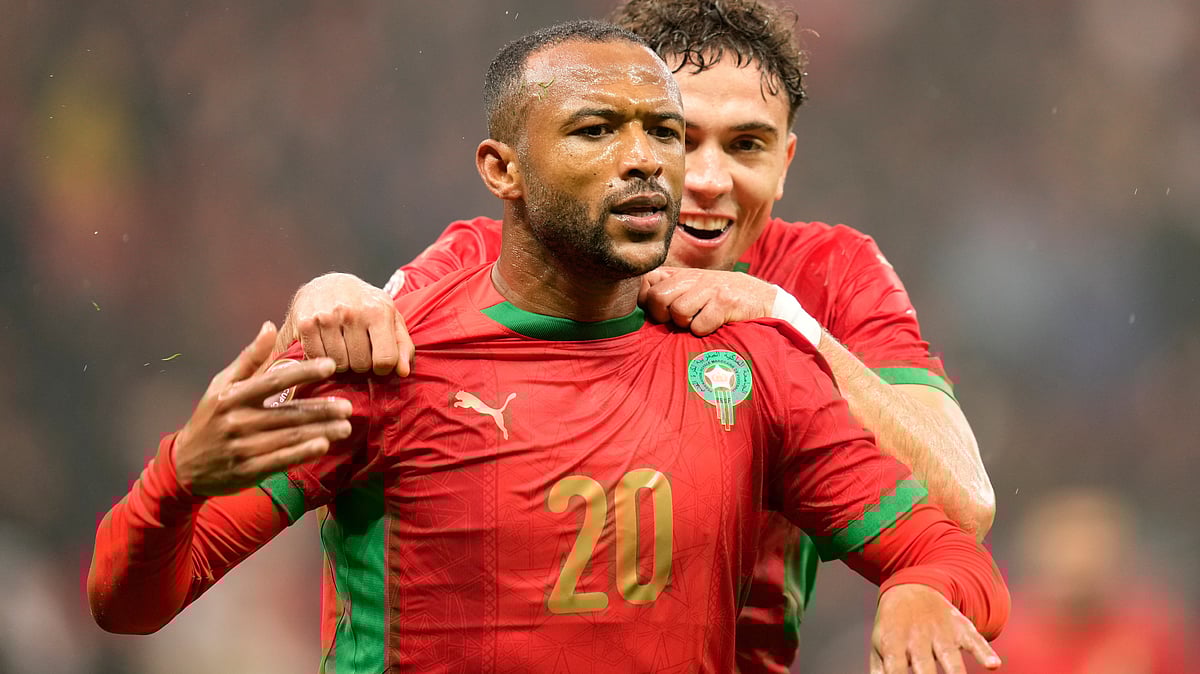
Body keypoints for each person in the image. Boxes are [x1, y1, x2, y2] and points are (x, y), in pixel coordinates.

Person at [89, 20, 1008, 673]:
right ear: (503, 170)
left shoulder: (752, 354)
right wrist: (177, 482)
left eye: (660, 133)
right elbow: (128, 606)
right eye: (600, 130)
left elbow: (954, 541)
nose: (659, 163)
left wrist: (922, 588)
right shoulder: (393, 356)